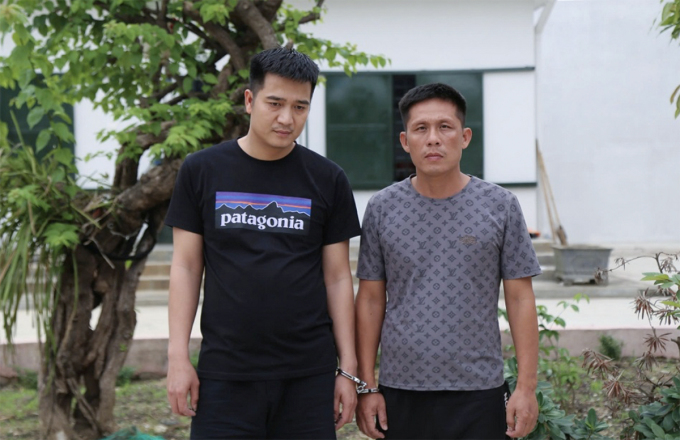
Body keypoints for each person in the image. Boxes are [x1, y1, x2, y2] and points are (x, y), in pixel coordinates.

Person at [164, 47, 361, 439]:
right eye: (275, 103)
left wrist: (348, 368)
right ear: (250, 100)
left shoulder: (328, 179)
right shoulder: (201, 170)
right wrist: (177, 357)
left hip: (308, 375)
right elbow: (185, 267)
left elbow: (338, 278)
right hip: (225, 375)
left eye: (300, 107)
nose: (287, 118)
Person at [355, 83, 542, 440]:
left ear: (465, 136)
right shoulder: (382, 208)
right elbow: (369, 300)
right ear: (405, 141)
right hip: (401, 389)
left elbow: (520, 298)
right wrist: (367, 385)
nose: (433, 139)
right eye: (420, 128)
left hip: (479, 389)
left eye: (445, 127)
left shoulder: (500, 206)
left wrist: (526, 387)